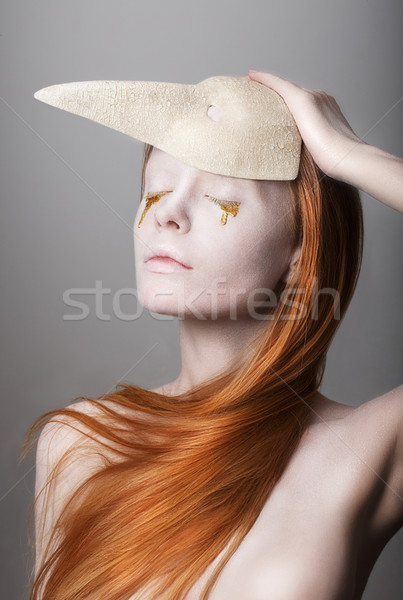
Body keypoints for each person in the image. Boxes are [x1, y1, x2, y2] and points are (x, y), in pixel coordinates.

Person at [23, 70, 403, 600]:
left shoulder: (369, 447)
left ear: (299, 249)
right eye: (154, 192)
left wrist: (349, 157)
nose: (168, 216)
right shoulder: (80, 441)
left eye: (222, 199)